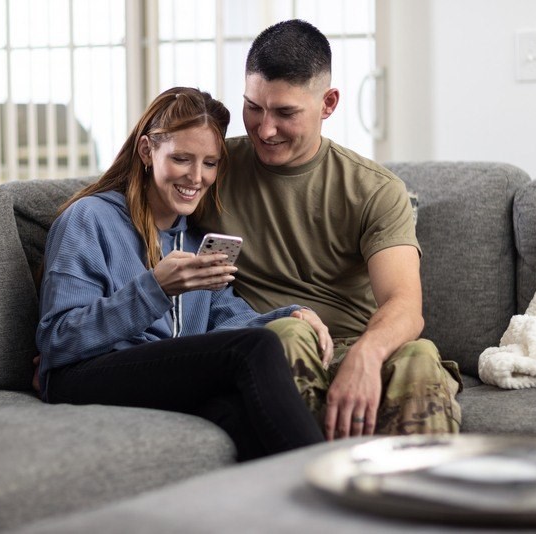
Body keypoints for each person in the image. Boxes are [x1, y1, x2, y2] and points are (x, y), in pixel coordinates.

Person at [199, 20, 462, 441]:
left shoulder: (373, 189)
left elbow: (404, 304)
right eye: (253, 107)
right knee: (285, 333)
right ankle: (317, 490)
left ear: (329, 103)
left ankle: (424, 501)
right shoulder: (209, 170)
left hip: (354, 343)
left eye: (286, 113)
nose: (265, 130)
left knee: (420, 356)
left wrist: (366, 356)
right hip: (267, 342)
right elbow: (132, 198)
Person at [36, 86, 326, 462]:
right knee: (257, 348)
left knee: (240, 416)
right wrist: (155, 288)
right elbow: (57, 339)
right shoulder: (89, 219)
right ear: (147, 151)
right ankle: (328, 483)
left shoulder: (194, 241)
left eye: (209, 163)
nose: (196, 177)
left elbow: (229, 325)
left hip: (159, 376)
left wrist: (290, 315)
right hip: (80, 375)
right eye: (182, 159)